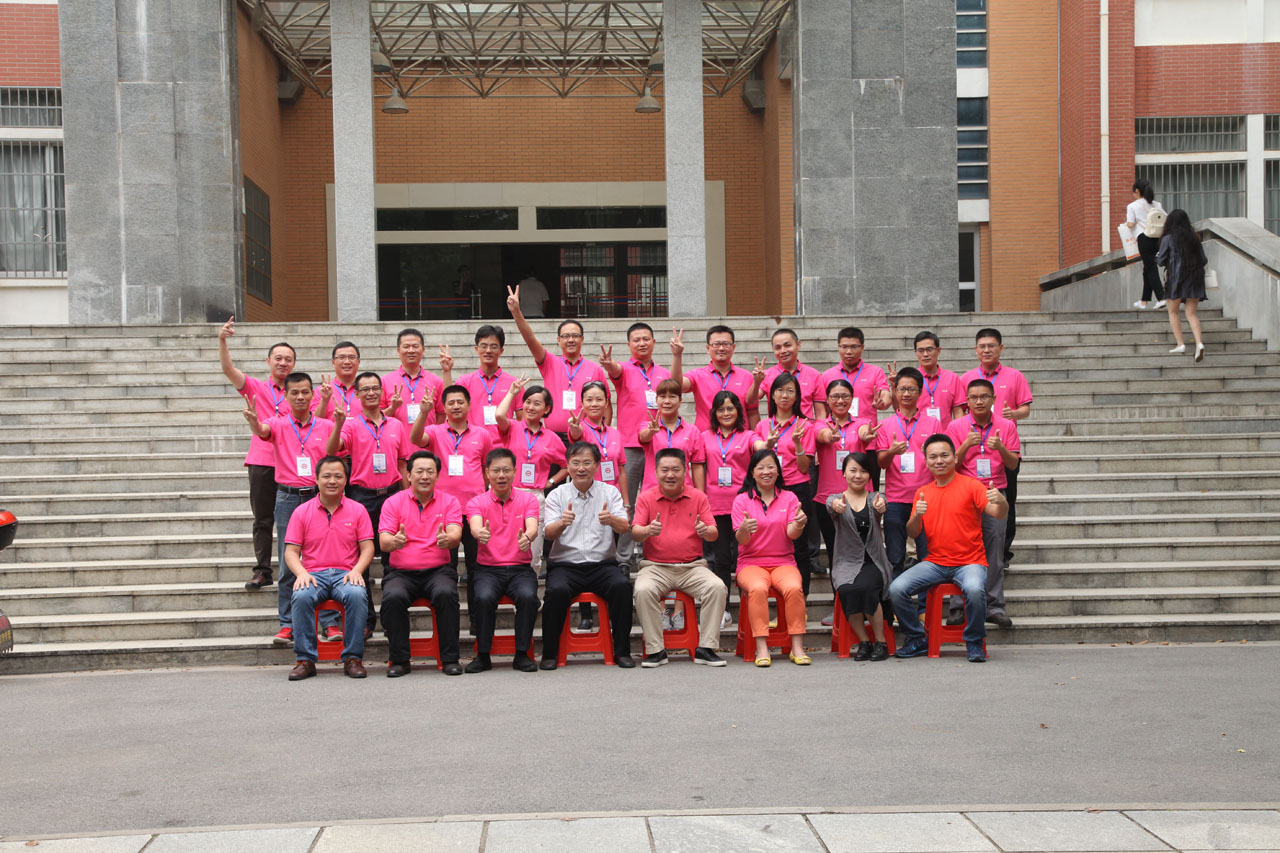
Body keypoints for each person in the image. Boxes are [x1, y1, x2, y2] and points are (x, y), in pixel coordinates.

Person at [889, 434, 1008, 663]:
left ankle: (974, 641)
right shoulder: (923, 492)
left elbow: (998, 513)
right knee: (896, 589)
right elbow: (913, 532)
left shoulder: (971, 485)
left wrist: (1002, 502)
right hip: (935, 562)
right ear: (926, 461)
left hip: (970, 561)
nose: (939, 461)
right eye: (933, 457)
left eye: (944, 455)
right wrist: (917, 515)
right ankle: (917, 638)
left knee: (974, 589)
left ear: (955, 458)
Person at [241, 372, 336, 645]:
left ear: (312, 395)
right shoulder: (278, 423)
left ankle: (330, 622)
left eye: (305, 392)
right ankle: (287, 623)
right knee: (287, 562)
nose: (300, 397)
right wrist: (254, 422)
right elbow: (263, 431)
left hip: (319, 498)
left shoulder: (325, 425)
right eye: (294, 392)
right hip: (287, 498)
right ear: (285, 396)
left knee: (324, 560)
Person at [324, 371, 412, 635]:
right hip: (361, 497)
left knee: (393, 559)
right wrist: (338, 424)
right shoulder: (350, 425)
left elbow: (403, 463)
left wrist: (406, 497)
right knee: (360, 560)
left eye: (375, 388)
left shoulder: (396, 425)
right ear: (357, 394)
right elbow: (331, 451)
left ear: (382, 392)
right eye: (365, 389)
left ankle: (391, 620)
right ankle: (365, 621)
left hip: (392, 496)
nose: (371, 393)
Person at [540, 442, 637, 669]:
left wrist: (611, 520)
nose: (581, 468)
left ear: (596, 466)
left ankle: (622, 651)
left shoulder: (610, 492)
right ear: (568, 466)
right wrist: (562, 523)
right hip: (565, 565)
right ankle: (549, 653)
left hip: (602, 565)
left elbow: (625, 527)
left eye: (586, 463)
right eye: (575, 463)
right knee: (555, 592)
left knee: (622, 587)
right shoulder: (557, 495)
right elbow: (548, 533)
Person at [217, 316, 294, 592]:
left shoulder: (299, 391)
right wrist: (222, 340)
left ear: (293, 364)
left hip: (291, 463)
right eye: (278, 358)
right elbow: (228, 369)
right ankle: (262, 570)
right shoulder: (256, 388)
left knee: (295, 520)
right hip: (262, 461)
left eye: (288, 359)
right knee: (262, 519)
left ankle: (295, 567)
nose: (283, 363)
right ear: (268, 361)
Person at [630, 448, 727, 667]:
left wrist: (705, 531)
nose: (670, 474)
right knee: (643, 590)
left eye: (676, 469)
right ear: (656, 472)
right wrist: (648, 531)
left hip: (692, 567)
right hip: (655, 567)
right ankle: (656, 650)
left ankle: (706, 648)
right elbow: (635, 532)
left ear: (686, 471)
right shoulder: (646, 498)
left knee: (717, 587)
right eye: (665, 470)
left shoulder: (698, 497)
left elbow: (713, 533)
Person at [283, 455, 374, 680]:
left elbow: (368, 548)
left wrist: (357, 570)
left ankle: (353, 658)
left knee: (356, 594)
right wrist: (301, 573)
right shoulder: (302, 512)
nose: (332, 481)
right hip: (314, 575)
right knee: (301, 596)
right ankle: (305, 660)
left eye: (338, 476)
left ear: (346, 480)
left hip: (346, 574)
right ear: (316, 479)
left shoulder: (358, 510)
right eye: (326, 476)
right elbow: (291, 552)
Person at [378, 451, 464, 677]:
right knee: (393, 597)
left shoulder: (450, 501)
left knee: (446, 593)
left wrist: (448, 539)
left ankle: (450, 658)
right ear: (408, 475)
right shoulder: (393, 502)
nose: (425, 476)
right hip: (401, 572)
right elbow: (384, 541)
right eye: (419, 471)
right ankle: (399, 660)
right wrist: (394, 542)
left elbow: (455, 533)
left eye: (430, 472)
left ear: (437, 476)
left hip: (438, 571)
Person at [948, 378, 1020, 628]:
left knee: (994, 551)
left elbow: (1013, 464)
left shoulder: (1006, 426)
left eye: (984, 396)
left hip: (994, 492)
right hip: (963, 492)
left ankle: (994, 606)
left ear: (993, 399)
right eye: (973, 397)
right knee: (959, 550)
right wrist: (965, 446)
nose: (979, 401)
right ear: (966, 402)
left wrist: (1000, 447)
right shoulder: (956, 426)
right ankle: (958, 606)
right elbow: (949, 465)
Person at [599, 322, 685, 527]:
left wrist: (677, 355)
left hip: (658, 443)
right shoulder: (625, 369)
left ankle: (653, 539)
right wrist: (608, 364)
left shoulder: (663, 372)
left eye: (646, 339)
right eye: (636, 340)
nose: (642, 343)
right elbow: (615, 370)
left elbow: (676, 386)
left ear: (654, 342)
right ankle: (625, 546)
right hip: (630, 445)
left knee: (656, 496)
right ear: (629, 345)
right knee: (626, 499)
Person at [465, 449, 541, 673]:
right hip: (488, 569)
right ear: (487, 473)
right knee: (483, 598)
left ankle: (522, 654)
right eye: (496, 470)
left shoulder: (528, 499)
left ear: (515, 472)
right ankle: (483, 655)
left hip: (520, 568)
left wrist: (528, 536)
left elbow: (532, 526)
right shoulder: (476, 502)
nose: (501, 475)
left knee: (528, 597)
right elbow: (475, 525)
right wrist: (479, 533)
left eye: (506, 470)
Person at [732, 448, 810, 666]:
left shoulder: (790, 498)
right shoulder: (741, 500)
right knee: (757, 589)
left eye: (771, 467)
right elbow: (742, 540)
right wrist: (744, 529)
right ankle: (761, 647)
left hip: (784, 561)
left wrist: (799, 524)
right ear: (752, 472)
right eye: (761, 467)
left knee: (794, 588)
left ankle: (797, 646)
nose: (766, 472)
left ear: (778, 471)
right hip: (750, 563)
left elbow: (792, 534)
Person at [960, 328, 1031, 565]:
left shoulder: (1015, 376)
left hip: (1003, 447)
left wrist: (1014, 414)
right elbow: (960, 410)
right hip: (974, 448)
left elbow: (1026, 409)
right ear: (976, 350)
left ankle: (1003, 551)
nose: (987, 350)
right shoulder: (966, 378)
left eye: (991, 346)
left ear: (1001, 348)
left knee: (1006, 501)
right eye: (982, 346)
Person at [410, 385, 495, 575]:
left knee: (476, 564)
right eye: (451, 403)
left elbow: (485, 468)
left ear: (469, 405)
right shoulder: (434, 431)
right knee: (446, 565)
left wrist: (478, 491)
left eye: (460, 402)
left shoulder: (482, 434)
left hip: (474, 508)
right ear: (444, 407)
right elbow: (415, 438)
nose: (456, 406)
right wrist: (423, 413)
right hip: (443, 508)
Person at [565, 380, 628, 630]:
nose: (594, 403)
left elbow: (621, 468)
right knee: (584, 552)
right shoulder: (579, 428)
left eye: (599, 399)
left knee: (606, 555)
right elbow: (574, 435)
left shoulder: (615, 433)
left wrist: (626, 500)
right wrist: (574, 427)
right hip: (584, 498)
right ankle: (586, 615)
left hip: (610, 499)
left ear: (606, 403)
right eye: (589, 399)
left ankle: (611, 610)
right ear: (582, 403)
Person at [871, 367, 943, 587]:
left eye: (911, 389)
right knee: (895, 557)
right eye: (902, 389)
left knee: (927, 556)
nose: (906, 394)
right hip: (895, 499)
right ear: (895, 391)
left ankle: (924, 603)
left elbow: (943, 459)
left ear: (920, 392)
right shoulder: (887, 424)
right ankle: (895, 601)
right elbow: (881, 463)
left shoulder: (933, 423)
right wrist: (892, 452)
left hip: (926, 498)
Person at [506, 286, 609, 436]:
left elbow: (606, 406)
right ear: (558, 340)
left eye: (575, 336)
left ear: (582, 339)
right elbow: (530, 340)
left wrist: (603, 436)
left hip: (586, 436)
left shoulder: (595, 369)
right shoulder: (550, 363)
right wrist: (516, 312)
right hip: (553, 436)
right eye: (566, 336)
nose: (571, 340)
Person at [494, 375, 567, 574]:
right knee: (505, 546)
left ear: (547, 409)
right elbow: (499, 415)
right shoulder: (512, 427)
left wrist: (551, 481)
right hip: (509, 493)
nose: (531, 407)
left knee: (533, 550)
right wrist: (512, 393)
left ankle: (530, 587)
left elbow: (567, 465)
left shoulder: (552, 438)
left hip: (535, 496)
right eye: (527, 402)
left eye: (537, 403)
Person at [753, 373, 818, 596]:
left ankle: (801, 598)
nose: (785, 395)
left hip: (796, 489)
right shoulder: (763, 425)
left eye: (790, 391)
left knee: (799, 547)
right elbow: (757, 461)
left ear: (797, 396)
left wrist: (798, 443)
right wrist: (768, 444)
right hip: (768, 491)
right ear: (771, 395)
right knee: (769, 543)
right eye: (780, 390)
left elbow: (804, 467)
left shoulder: (805, 425)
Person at [825, 452, 892, 661]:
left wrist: (881, 508)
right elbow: (831, 506)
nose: (858, 475)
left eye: (863, 471)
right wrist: (837, 507)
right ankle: (864, 641)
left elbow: (882, 505)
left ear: (870, 475)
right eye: (853, 470)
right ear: (844, 473)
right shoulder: (836, 499)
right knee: (847, 589)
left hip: (873, 561)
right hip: (846, 562)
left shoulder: (875, 498)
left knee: (867, 588)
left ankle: (880, 642)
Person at [698, 390, 755, 621]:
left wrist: (769, 443)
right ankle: (723, 609)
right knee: (721, 559)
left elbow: (760, 446)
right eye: (721, 409)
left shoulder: (748, 435)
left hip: (743, 505)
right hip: (716, 504)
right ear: (714, 413)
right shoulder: (704, 436)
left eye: (730, 408)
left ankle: (748, 607)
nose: (726, 413)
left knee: (744, 558)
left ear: (738, 411)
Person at [814, 378, 871, 581]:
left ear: (852, 398)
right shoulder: (820, 424)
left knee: (863, 552)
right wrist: (829, 436)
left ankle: (863, 597)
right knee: (834, 553)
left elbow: (864, 433)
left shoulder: (862, 423)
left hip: (859, 498)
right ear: (828, 400)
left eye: (845, 396)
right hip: (827, 498)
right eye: (835, 396)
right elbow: (821, 435)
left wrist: (866, 435)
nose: (840, 400)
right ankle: (839, 599)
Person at [442, 324, 523, 428]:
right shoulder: (465, 382)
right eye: (484, 346)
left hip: (503, 438)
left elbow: (523, 422)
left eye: (493, 347)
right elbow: (450, 401)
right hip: (473, 438)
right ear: (477, 349)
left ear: (501, 351)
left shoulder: (514, 384)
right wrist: (447, 372)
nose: (488, 350)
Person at [682, 325, 760, 430]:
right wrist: (677, 355)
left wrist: (755, 437)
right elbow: (678, 386)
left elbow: (753, 412)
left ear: (733, 348)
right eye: (716, 344)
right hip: (706, 437)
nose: (721, 348)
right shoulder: (697, 375)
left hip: (739, 437)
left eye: (726, 344)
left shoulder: (747, 377)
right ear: (708, 348)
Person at [1156, 208, 1208, 362]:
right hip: (1195, 279)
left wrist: (1157, 257)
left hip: (1176, 280)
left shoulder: (1168, 239)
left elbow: (1160, 261)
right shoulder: (1194, 238)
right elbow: (1203, 260)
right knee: (1191, 314)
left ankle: (1180, 344)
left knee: (1173, 312)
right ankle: (1199, 343)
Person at [637, 378, 706, 490]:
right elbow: (643, 437)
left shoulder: (693, 431)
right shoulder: (647, 426)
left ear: (680, 401)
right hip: (653, 491)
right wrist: (651, 431)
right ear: (656, 400)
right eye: (662, 396)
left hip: (683, 491)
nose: (667, 401)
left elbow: (697, 467)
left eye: (672, 397)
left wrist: (700, 495)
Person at [815, 327, 892, 421]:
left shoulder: (875, 372)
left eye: (854, 347)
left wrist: (882, 403)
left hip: (866, 428)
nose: (849, 352)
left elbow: (885, 395)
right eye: (844, 347)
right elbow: (823, 408)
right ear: (838, 347)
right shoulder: (827, 376)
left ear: (862, 348)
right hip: (837, 428)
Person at [381, 328, 446, 436]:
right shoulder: (384, 382)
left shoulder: (436, 382)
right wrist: (392, 408)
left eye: (415, 346)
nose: (411, 350)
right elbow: (378, 418)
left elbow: (441, 414)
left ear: (423, 350)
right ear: (398, 351)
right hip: (397, 443)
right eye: (406, 346)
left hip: (427, 443)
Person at [757, 328, 824, 418]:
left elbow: (820, 412)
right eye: (778, 348)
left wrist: (819, 427)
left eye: (787, 345)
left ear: (798, 345)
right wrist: (756, 382)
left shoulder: (814, 375)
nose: (783, 351)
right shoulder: (767, 375)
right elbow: (751, 401)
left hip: (805, 426)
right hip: (777, 426)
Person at [907, 331, 966, 427]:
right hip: (917, 433)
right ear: (916, 353)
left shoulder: (952, 378)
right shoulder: (911, 379)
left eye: (929, 349)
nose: (925, 354)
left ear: (938, 350)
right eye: (920, 350)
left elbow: (958, 412)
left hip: (945, 434)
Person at [1125, 178, 1167, 310]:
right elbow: (1166, 218)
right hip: (1158, 238)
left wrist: (1128, 224)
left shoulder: (1132, 206)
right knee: (1147, 268)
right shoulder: (1156, 205)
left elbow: (1130, 224)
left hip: (1144, 238)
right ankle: (1144, 301)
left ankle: (1161, 297)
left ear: (1137, 191)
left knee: (1150, 268)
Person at [313, 341, 362, 419]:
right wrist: (324, 401)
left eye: (352, 357)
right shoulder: (320, 391)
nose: (347, 362)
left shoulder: (367, 390)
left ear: (358, 362)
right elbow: (314, 422)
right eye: (341, 357)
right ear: (333, 362)